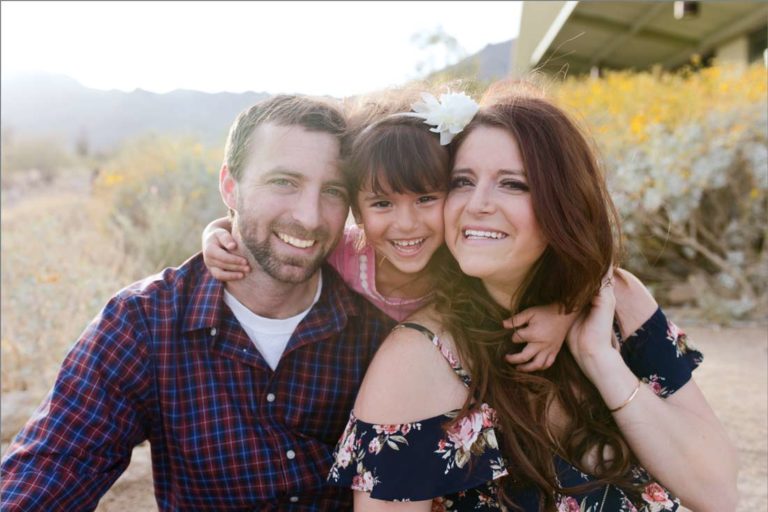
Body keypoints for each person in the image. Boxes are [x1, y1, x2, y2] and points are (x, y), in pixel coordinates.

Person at [328, 88, 739, 511]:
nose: (478, 204)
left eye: (512, 184)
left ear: (563, 201)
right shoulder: (417, 362)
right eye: (462, 182)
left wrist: (600, 358)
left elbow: (718, 494)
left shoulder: (619, 299)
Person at [0, 95, 395, 511]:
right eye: (284, 182)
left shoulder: (374, 327)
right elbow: (54, 467)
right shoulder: (145, 322)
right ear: (230, 186)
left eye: (332, 190)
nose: (310, 216)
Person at [203, 89, 571, 371]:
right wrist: (217, 231)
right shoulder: (345, 252)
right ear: (357, 212)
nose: (406, 224)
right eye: (382, 204)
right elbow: (287, 236)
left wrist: (564, 313)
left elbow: (582, 267)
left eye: (426, 198)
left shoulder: (463, 256)